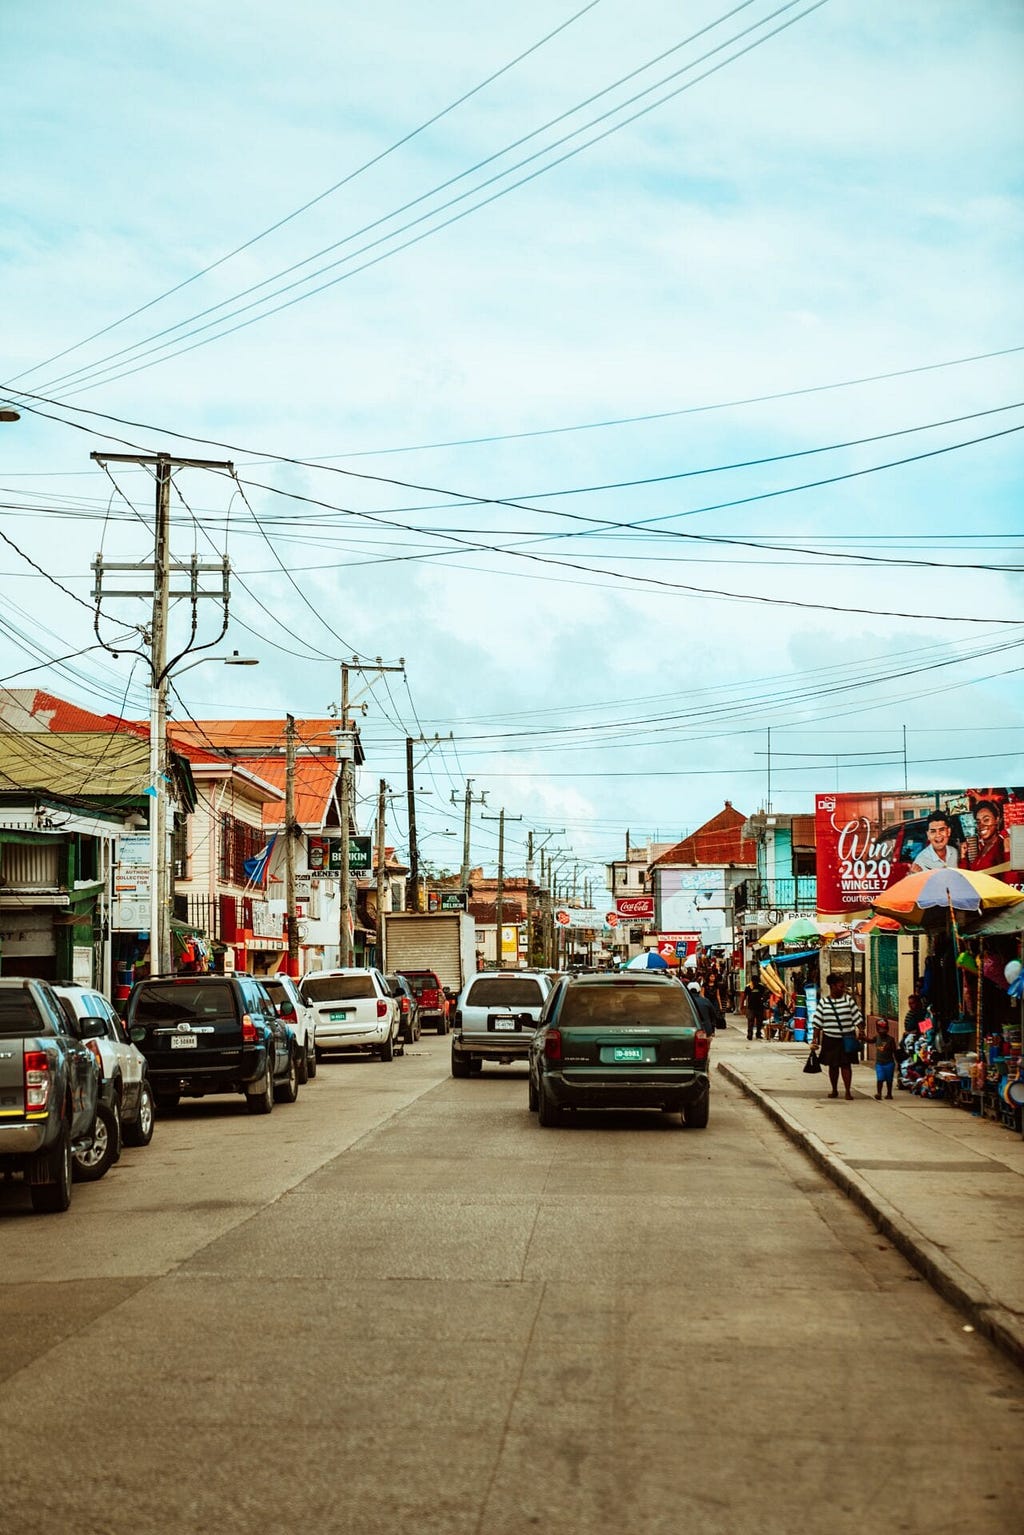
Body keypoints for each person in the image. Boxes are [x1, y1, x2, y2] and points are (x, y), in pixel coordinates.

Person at [812, 971, 864, 1100]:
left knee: (846, 1065)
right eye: (840, 986)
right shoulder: (823, 1003)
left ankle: (847, 1091)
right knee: (833, 1066)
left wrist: (861, 1030)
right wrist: (815, 1040)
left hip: (847, 1037)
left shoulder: (848, 1000)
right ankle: (834, 1089)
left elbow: (857, 1017)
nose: (842, 989)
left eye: (843, 987)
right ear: (832, 986)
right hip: (830, 1039)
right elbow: (817, 1023)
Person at [962, 800, 1008, 872]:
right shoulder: (983, 847)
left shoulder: (1003, 846)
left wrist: (1008, 853)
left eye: (986, 820)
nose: (981, 825)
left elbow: (1011, 879)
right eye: (978, 822)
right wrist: (963, 856)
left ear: (997, 820)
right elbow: (971, 875)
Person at [872, 1019, 898, 1100]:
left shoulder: (890, 1039)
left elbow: (894, 1050)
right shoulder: (876, 1037)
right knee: (880, 1078)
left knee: (889, 1080)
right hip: (879, 1063)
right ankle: (879, 1093)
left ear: (887, 1029)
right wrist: (863, 1038)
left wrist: (889, 1048)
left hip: (889, 1063)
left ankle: (889, 1093)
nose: (882, 1031)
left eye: (884, 1029)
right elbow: (870, 1041)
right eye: (880, 1029)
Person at [740, 974, 769, 1040]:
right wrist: (742, 1005)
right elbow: (744, 996)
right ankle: (750, 1034)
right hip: (751, 1007)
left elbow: (765, 995)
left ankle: (758, 1033)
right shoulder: (748, 987)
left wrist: (763, 1000)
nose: (755, 982)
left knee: (759, 1021)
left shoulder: (761, 987)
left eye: (756, 981)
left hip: (759, 1007)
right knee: (750, 1021)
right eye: (754, 981)